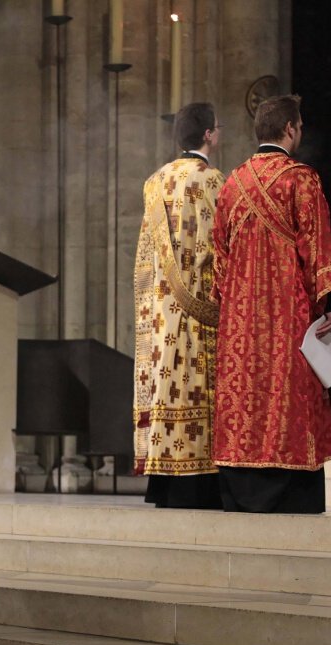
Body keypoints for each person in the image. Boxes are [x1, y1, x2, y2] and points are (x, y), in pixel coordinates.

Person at [211, 95, 331, 512]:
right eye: (300, 126)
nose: (301, 132)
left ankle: (241, 488)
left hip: (240, 320)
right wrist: (328, 304)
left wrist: (231, 304)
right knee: (288, 398)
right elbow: (318, 249)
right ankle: (289, 493)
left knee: (244, 396)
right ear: (290, 129)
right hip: (288, 313)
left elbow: (218, 258)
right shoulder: (301, 179)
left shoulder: (233, 182)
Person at [133, 102, 224, 509]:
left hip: (160, 314)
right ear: (209, 135)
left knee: (167, 388)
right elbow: (217, 249)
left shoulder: (155, 182)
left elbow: (145, 257)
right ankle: (200, 481)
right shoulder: (213, 180)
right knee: (198, 391)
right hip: (200, 313)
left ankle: (163, 482)